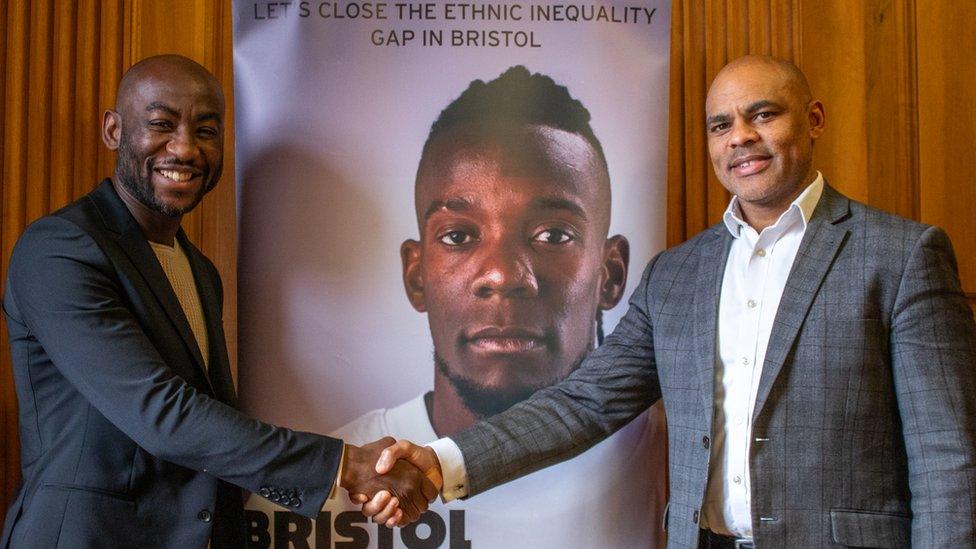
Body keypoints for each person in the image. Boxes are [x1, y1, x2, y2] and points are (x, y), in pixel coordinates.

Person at [367, 55, 976, 548]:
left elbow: (948, 459)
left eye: (763, 114)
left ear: (813, 119)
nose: (741, 137)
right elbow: (582, 404)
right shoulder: (677, 275)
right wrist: (440, 462)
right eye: (721, 124)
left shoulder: (900, 256)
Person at [0, 54, 434, 548]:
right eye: (161, 124)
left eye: (206, 131)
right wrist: (347, 466)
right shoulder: (60, 249)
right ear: (113, 130)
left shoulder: (199, 271)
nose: (184, 149)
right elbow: (163, 415)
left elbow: (208, 425)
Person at [247, 66, 668, 547]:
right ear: (416, 274)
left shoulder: (675, 454)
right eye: (459, 236)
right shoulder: (321, 491)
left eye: (553, 235)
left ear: (610, 275)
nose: (504, 276)